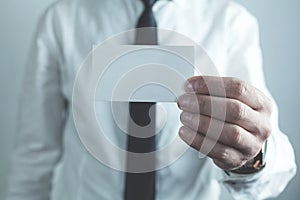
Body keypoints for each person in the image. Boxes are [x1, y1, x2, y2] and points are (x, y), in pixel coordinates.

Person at [6, 0, 296, 200]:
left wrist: (253, 156)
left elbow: (276, 162)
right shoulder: (63, 19)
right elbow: (33, 155)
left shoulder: (231, 23)